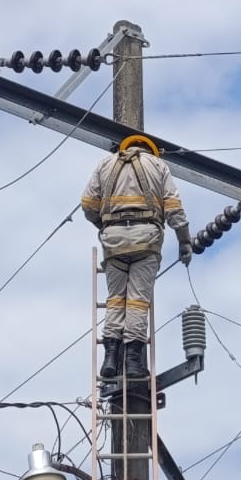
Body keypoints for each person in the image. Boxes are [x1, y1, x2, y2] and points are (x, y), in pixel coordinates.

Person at [81, 135, 192, 380]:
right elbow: (174, 210)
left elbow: (88, 204)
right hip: (147, 239)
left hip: (114, 240)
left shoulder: (105, 164)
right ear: (151, 150)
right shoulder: (158, 165)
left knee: (115, 299)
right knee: (137, 302)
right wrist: (184, 241)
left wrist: (105, 224)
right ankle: (133, 362)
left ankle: (110, 358)